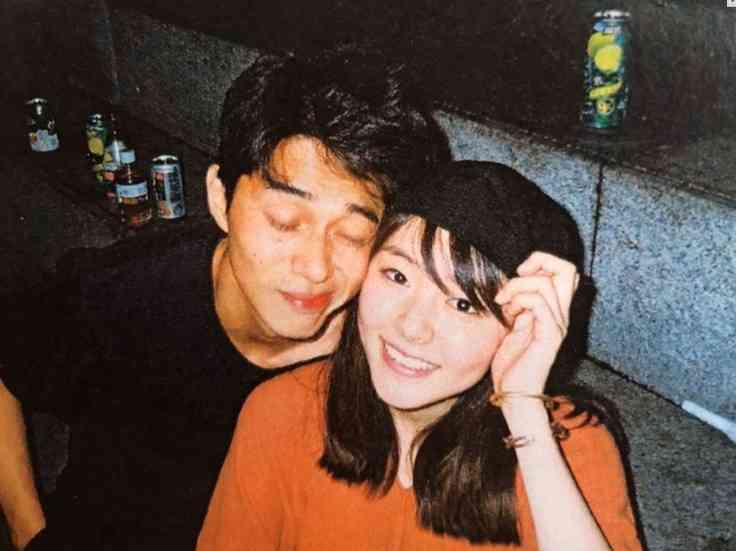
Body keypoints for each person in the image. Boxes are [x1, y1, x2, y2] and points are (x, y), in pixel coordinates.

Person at [0, 44, 450, 550]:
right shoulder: (133, 290)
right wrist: (27, 532)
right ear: (220, 199)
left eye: (353, 234)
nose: (316, 267)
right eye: (285, 221)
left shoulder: (391, 350)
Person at [198, 161, 642, 550]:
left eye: (463, 304)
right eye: (397, 276)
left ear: (520, 327)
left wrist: (523, 406)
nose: (412, 327)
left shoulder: (563, 445)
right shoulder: (283, 412)